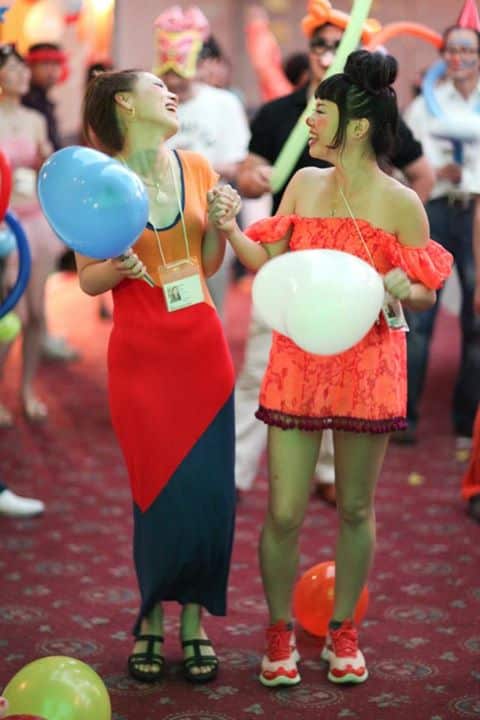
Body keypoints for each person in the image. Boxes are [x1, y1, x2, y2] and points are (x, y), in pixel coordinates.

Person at [208, 50, 452, 688]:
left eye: (321, 111)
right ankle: (278, 631)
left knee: (354, 507)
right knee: (284, 511)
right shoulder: (304, 185)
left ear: (359, 125)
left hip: (369, 363)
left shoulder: (402, 203)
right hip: (298, 358)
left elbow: (426, 290)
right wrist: (230, 228)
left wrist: (405, 285)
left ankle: (344, 629)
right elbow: (270, 262)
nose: (310, 121)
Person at [234, 12, 436, 503]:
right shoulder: (280, 114)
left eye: (336, 44)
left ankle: (329, 473)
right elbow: (252, 176)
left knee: (345, 384)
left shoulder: (374, 116)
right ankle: (236, 474)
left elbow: (420, 174)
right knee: (260, 371)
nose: (327, 52)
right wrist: (248, 185)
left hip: (355, 299)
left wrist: (395, 231)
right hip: (289, 275)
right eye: (319, 44)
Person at [78, 69, 235, 684]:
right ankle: (149, 617)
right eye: (154, 86)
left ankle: (195, 622)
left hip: (204, 354)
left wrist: (222, 226)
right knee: (155, 495)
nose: (171, 93)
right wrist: (116, 267)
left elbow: (207, 264)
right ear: (124, 102)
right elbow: (87, 277)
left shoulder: (196, 166)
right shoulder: (99, 181)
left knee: (209, 496)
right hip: (142, 359)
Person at [402, 21, 480, 446]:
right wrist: (436, 171)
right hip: (434, 210)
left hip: (476, 213)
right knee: (418, 316)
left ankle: (468, 421)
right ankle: (405, 418)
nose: (458, 57)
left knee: (476, 316)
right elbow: (405, 158)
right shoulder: (425, 105)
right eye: (451, 50)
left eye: (467, 50)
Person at [153, 6, 250, 317]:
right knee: (172, 309)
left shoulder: (223, 104)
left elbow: (238, 163)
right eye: (167, 73)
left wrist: (188, 170)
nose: (173, 80)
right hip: (162, 220)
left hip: (211, 218)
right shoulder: (152, 104)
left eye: (180, 71)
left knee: (211, 307)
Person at [0, 44, 66, 424]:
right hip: (4, 225)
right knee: (10, 315)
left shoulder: (35, 119)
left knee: (38, 313)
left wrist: (46, 159)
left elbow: (48, 169)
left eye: (24, 69)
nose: (24, 74)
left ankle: (27, 389)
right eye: (14, 68)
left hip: (36, 221)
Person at [22, 41, 78, 361]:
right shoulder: (30, 106)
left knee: (39, 279)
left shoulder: (42, 103)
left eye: (56, 64)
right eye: (45, 64)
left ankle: (40, 334)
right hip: (22, 205)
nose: (52, 71)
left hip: (40, 201)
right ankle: (37, 335)